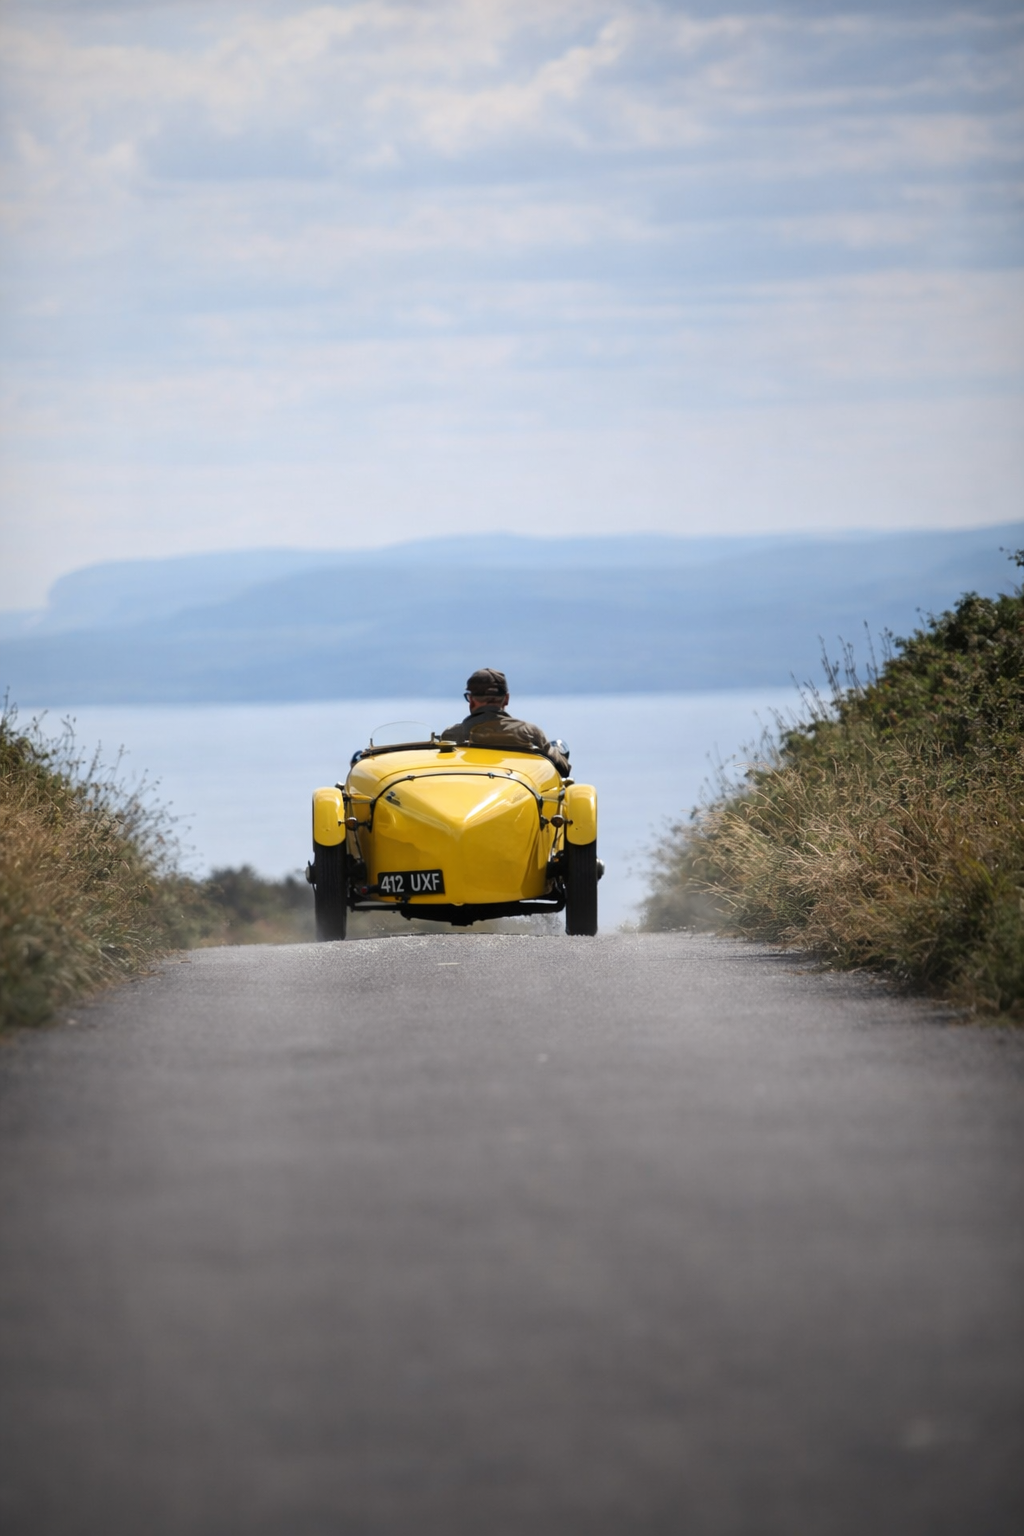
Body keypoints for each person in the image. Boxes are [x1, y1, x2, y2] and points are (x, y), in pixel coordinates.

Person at [441, 668, 570, 776]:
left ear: (471, 700)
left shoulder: (452, 735)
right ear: (506, 699)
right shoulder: (529, 733)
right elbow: (563, 769)